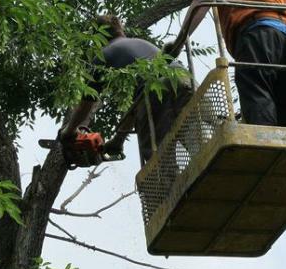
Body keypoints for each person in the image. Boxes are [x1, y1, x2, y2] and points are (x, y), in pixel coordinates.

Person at [174, 0, 286, 126]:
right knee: (283, 101)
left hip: (258, 34)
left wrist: (180, 42)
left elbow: (202, 1)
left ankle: (263, 147)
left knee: (255, 88)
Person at [59, 15, 194, 166]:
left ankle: (172, 188)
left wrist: (69, 130)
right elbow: (135, 106)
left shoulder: (102, 56)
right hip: (185, 80)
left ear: (98, 36)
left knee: (159, 162)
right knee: (198, 140)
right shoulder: (141, 43)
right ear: (120, 30)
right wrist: (118, 139)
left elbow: (86, 105)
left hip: (155, 93)